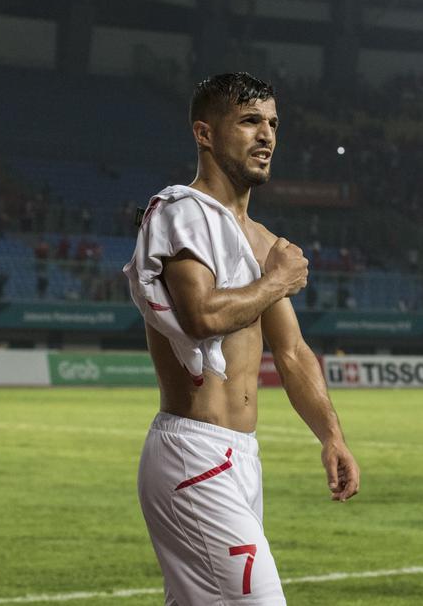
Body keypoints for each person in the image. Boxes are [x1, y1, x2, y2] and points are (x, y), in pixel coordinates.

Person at [125, 72, 360, 604]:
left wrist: (332, 436)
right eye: (250, 121)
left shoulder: (261, 240)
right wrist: (276, 279)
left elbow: (294, 353)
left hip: (240, 456)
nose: (267, 135)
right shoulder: (180, 212)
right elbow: (200, 316)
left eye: (273, 123)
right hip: (193, 453)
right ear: (204, 134)